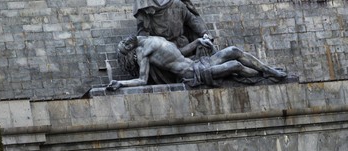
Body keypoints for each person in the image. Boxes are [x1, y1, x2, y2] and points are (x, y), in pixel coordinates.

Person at [107, 35, 287, 90]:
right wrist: (120, 83)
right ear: (130, 52)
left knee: (234, 51)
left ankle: (269, 71)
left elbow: (181, 53)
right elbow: (142, 81)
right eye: (124, 46)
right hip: (193, 74)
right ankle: (263, 77)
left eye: (122, 42)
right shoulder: (142, 53)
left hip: (197, 63)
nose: (124, 42)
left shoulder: (151, 38)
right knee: (235, 66)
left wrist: (198, 42)